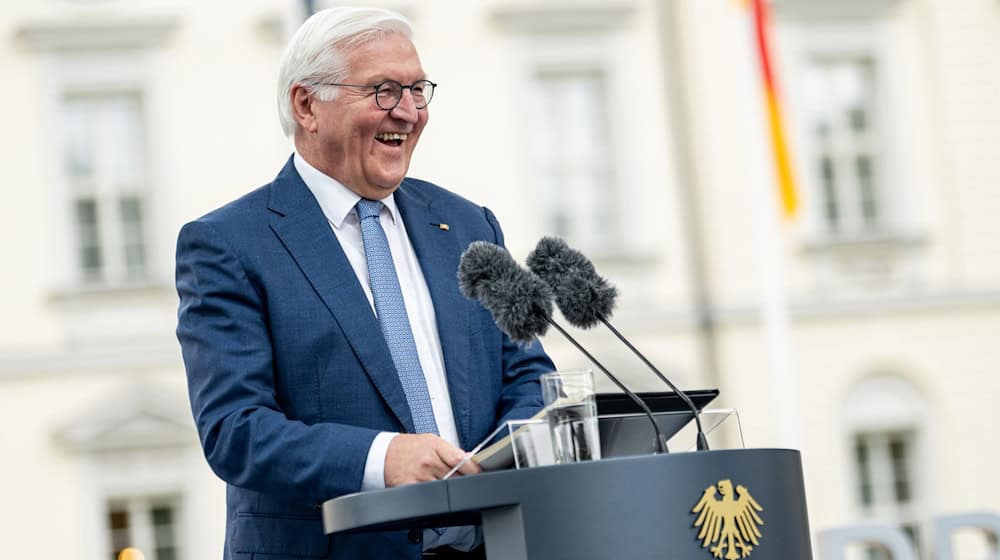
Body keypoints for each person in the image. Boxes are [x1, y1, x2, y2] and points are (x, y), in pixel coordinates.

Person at [175, 7, 555, 560]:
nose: (408, 112)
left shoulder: (469, 225)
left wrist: (500, 458)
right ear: (307, 105)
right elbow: (236, 430)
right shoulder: (228, 244)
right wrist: (383, 458)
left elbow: (530, 377)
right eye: (382, 90)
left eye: (417, 89)